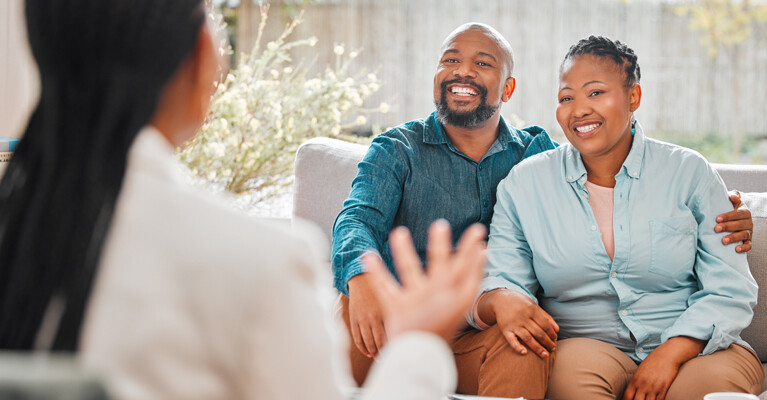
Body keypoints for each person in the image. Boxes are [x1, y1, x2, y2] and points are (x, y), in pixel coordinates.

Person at [0, 1, 488, 399]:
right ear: (198, 53)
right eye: (214, 15)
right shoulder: (263, 261)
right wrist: (419, 344)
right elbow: (355, 219)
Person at [331, 22, 755, 397]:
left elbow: (602, 167)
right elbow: (356, 219)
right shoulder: (398, 150)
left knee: (525, 349)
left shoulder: (533, 155)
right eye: (450, 60)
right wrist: (361, 276)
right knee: (353, 306)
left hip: (476, 332)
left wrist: (733, 208)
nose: (463, 71)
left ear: (508, 89)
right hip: (393, 322)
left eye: (482, 63)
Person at [471, 35, 763, 400]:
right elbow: (503, 278)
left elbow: (730, 288)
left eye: (595, 93)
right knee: (570, 382)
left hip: (698, 346)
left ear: (633, 97)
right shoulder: (526, 184)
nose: (578, 110)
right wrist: (501, 299)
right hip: (585, 346)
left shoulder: (689, 172)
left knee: (703, 391)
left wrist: (671, 352)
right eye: (566, 98)